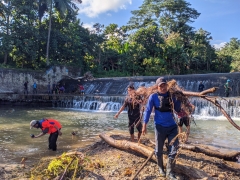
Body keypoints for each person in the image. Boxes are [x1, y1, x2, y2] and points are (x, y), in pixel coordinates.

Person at [142, 77, 181, 179]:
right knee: (159, 150)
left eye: (164, 85)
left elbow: (177, 109)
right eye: (161, 86)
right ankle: (160, 168)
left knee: (174, 149)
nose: (163, 87)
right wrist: (144, 125)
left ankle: (169, 172)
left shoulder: (172, 96)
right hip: (159, 127)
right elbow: (148, 111)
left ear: (167, 85)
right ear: (157, 87)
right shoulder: (153, 97)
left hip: (172, 126)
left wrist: (179, 99)